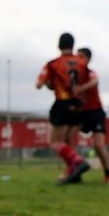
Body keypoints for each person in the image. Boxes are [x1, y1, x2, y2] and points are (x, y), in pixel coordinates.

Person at [36, 33, 91, 185]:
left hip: (63, 103)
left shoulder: (53, 64)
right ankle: (74, 174)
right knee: (68, 141)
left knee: (55, 142)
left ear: (59, 46)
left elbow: (39, 84)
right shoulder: (82, 63)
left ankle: (78, 162)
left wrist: (50, 84)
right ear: (73, 46)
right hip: (78, 104)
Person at [74, 47, 109, 184]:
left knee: (98, 145)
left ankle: (108, 175)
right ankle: (74, 170)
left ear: (88, 59)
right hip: (80, 113)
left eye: (81, 56)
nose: (78, 59)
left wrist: (80, 89)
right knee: (67, 139)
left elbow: (94, 81)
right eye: (77, 56)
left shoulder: (91, 73)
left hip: (95, 113)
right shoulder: (73, 76)